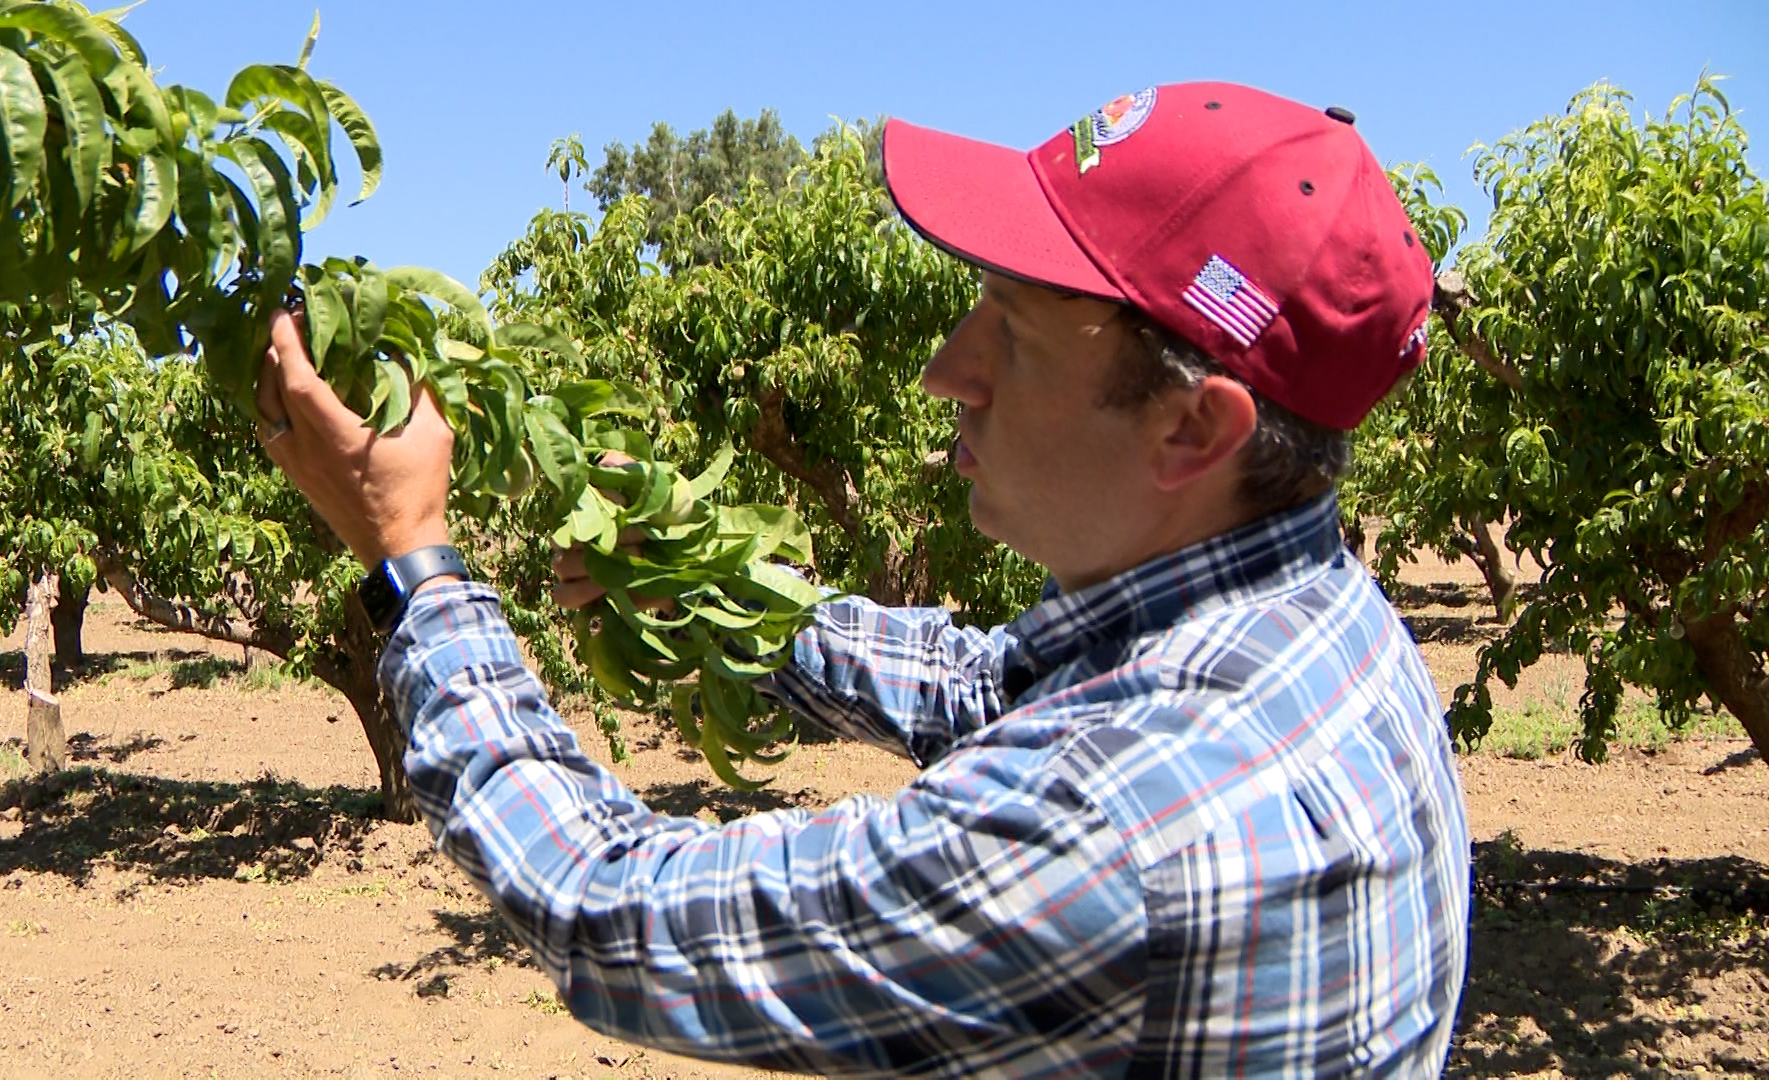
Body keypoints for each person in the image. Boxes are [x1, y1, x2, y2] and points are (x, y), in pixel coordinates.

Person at [256, 82, 1470, 1077]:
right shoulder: (1317, 628)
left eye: (1015, 327)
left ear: (1193, 431)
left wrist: (412, 559)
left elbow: (605, 906)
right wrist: (700, 581)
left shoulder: (1108, 830)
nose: (950, 369)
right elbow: (990, 685)